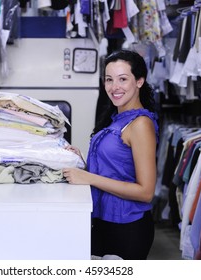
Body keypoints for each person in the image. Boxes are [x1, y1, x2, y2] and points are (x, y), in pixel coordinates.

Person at [63, 49, 159, 260]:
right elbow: (115, 172)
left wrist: (89, 177)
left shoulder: (141, 124)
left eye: (123, 79)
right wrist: (83, 163)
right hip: (102, 221)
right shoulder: (116, 119)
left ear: (139, 81)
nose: (114, 87)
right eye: (109, 79)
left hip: (127, 228)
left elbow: (145, 192)